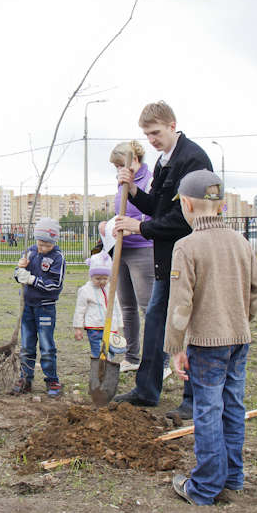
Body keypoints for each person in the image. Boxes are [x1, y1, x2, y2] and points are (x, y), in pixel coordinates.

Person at [164, 170, 257, 506]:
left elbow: (181, 305)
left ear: (188, 205)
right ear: (221, 204)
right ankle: (233, 477)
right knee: (233, 406)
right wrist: (240, 320)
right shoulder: (241, 241)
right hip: (240, 341)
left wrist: (175, 347)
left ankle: (205, 486)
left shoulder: (187, 246)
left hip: (207, 345)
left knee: (207, 410)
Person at [113, 101, 213, 420]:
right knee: (156, 322)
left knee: (189, 326)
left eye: (155, 132)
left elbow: (185, 218)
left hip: (191, 258)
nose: (151, 139)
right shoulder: (163, 162)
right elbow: (156, 206)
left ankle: (193, 399)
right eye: (146, 134)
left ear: (172, 125)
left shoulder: (192, 159)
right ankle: (146, 390)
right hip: (166, 262)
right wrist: (130, 188)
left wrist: (139, 227)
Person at [105, 140, 155, 374]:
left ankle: (159, 362)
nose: (118, 170)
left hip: (143, 248)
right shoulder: (122, 180)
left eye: (120, 164)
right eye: (115, 166)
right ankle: (132, 356)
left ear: (134, 158)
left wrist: (135, 226)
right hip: (121, 249)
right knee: (127, 307)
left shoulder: (150, 179)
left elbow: (155, 215)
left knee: (148, 307)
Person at [10, 217, 66, 399]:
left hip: (45, 308)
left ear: (54, 241)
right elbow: (18, 276)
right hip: (27, 306)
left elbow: (55, 285)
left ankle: (52, 380)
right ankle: (25, 379)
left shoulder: (57, 258)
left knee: (47, 346)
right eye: (40, 243)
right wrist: (19, 271)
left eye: (47, 245)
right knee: (26, 345)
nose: (42, 248)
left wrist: (32, 279)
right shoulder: (30, 251)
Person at [73, 251, 124, 359]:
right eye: (98, 279)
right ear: (91, 276)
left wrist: (118, 326)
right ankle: (103, 368)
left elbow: (117, 308)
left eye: (105, 278)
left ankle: (107, 369)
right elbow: (80, 309)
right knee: (99, 351)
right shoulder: (85, 290)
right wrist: (78, 327)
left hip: (111, 328)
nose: (102, 282)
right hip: (95, 328)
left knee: (111, 350)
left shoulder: (111, 289)